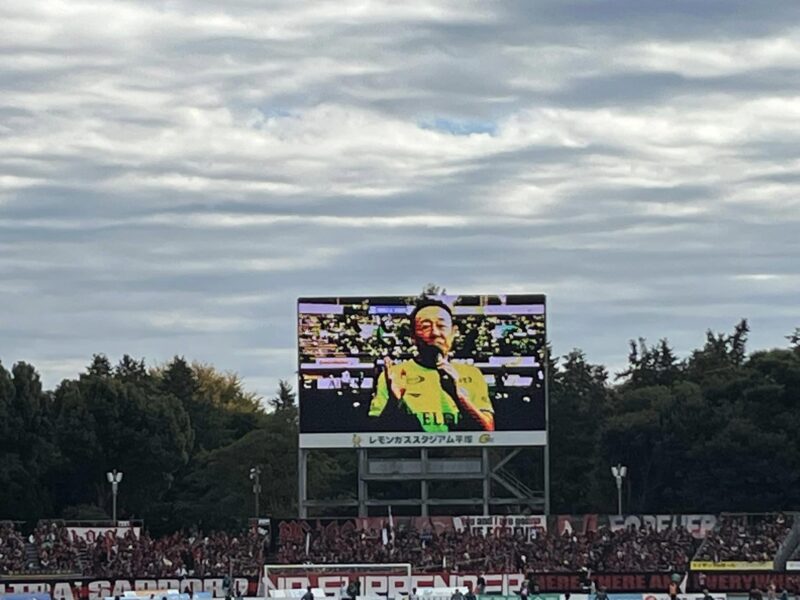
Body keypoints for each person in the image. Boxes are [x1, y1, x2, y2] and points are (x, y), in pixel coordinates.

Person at [368, 299, 494, 432]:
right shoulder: (395, 375)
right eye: (425, 326)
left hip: (459, 453)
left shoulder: (471, 374)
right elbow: (375, 435)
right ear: (413, 336)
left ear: (453, 332)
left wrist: (459, 396)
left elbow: (488, 431)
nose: (434, 333)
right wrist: (394, 401)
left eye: (441, 326)